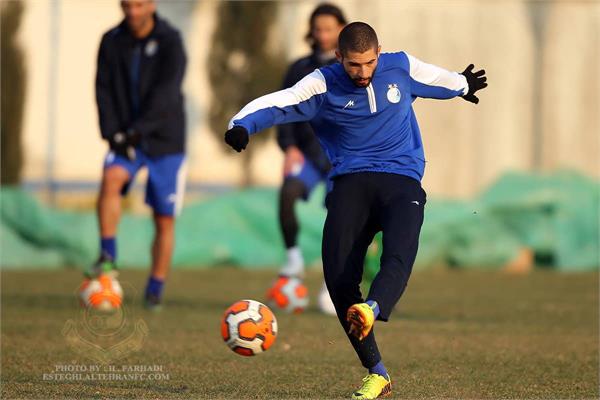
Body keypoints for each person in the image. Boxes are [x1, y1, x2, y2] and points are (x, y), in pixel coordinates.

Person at [224, 22, 487, 399]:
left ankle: (373, 306)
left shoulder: (399, 67)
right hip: (352, 182)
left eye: (368, 64)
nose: (362, 73)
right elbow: (278, 102)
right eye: (353, 66)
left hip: (401, 180)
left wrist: (462, 85)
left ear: (379, 52)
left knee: (399, 253)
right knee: (337, 274)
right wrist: (242, 125)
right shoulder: (322, 83)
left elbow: (437, 78)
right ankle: (376, 373)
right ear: (339, 57)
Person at [90, 0, 187, 311]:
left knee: (163, 218)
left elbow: (167, 94)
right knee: (111, 178)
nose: (132, 12)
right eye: (127, 5)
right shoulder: (111, 40)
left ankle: (155, 289)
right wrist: (112, 133)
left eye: (139, 5)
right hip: (125, 138)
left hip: (165, 140)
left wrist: (136, 131)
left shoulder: (170, 40)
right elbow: (102, 89)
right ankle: (107, 256)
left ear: (152, 5)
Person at [270, 3, 346, 316]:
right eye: (318, 29)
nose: (323, 35)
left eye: (330, 28)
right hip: (308, 155)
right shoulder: (299, 68)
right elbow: (282, 109)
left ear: (342, 29)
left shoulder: (352, 69)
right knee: (288, 193)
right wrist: (289, 147)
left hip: (341, 159)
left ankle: (334, 284)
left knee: (341, 218)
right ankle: (293, 259)